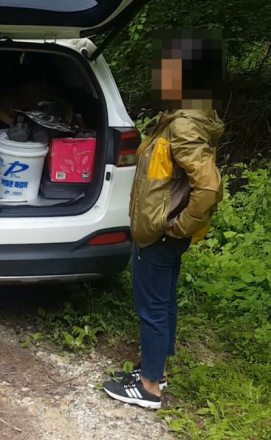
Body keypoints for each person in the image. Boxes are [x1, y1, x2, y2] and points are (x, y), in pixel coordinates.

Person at [103, 30, 225, 409]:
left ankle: (150, 388)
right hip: (164, 232)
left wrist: (178, 225)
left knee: (152, 308)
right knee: (163, 301)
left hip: (159, 233)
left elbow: (208, 187)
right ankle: (156, 370)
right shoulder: (183, 118)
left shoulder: (183, 125)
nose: (161, 76)